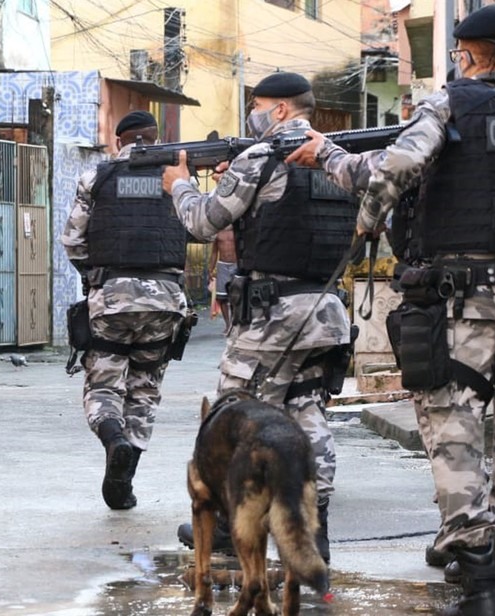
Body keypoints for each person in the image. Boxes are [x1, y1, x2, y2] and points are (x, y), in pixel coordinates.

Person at [285, 5, 495, 615]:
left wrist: (363, 216)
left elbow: (396, 168)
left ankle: (483, 586)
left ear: (467, 54)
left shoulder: (447, 105)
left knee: (454, 433)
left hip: (459, 301)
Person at [162, 72, 358, 564]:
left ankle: (227, 530)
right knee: (307, 414)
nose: (252, 111)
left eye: (259, 104)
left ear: (280, 111)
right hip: (325, 310)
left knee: (234, 418)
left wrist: (180, 185)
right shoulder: (337, 157)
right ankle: (315, 529)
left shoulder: (260, 156)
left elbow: (203, 221)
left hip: (272, 316)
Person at [62, 110, 190, 511]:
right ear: (155, 138)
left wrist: (98, 277)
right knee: (145, 386)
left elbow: (73, 241)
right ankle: (125, 478)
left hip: (112, 299)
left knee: (104, 385)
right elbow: (199, 226)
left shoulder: (96, 178)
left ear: (120, 142)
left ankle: (114, 438)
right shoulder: (177, 179)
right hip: (167, 299)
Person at [208, 227, 237, 332]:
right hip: (222, 266)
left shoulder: (237, 230)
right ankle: (228, 324)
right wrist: (210, 269)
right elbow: (214, 252)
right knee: (221, 297)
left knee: (236, 296)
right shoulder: (218, 232)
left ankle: (235, 323)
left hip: (236, 265)